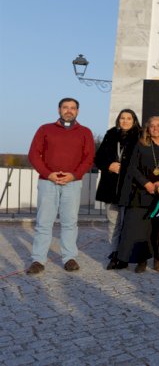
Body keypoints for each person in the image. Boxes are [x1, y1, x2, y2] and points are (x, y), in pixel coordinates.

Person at [26, 98, 95, 275]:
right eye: (65, 107)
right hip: (48, 182)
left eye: (73, 108)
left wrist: (74, 175)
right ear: (59, 109)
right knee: (44, 222)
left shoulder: (85, 132)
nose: (69, 111)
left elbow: (88, 158)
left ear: (77, 112)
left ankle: (69, 258)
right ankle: (38, 260)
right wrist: (48, 174)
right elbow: (34, 154)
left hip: (72, 183)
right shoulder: (45, 129)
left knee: (70, 222)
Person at [117, 116, 159, 273]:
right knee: (141, 229)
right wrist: (146, 183)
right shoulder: (140, 145)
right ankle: (142, 260)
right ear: (147, 129)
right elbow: (133, 167)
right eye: (152, 126)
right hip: (142, 191)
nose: (155, 128)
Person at [94, 109, 141, 269]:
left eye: (129, 118)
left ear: (134, 121)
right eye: (122, 118)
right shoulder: (110, 134)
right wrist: (109, 165)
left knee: (127, 223)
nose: (125, 121)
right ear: (118, 120)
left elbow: (143, 160)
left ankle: (125, 254)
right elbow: (98, 157)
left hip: (130, 186)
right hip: (111, 186)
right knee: (113, 222)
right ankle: (114, 252)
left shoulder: (140, 136)